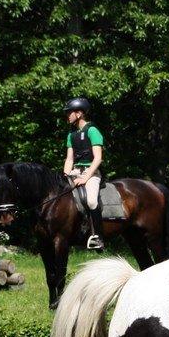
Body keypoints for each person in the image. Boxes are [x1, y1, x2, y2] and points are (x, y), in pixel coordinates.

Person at [62, 97, 105, 250]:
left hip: (91, 172)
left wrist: (86, 177)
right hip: (74, 172)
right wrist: (65, 176)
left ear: (79, 113)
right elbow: (69, 159)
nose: (67, 116)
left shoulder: (92, 130)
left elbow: (98, 158)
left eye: (69, 113)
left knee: (92, 200)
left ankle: (98, 237)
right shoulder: (71, 134)